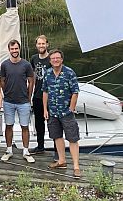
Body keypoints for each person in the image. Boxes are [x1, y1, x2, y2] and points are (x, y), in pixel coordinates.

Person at [42, 50, 81, 178]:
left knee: (72, 138)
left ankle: (76, 166)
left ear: (62, 59)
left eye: (57, 58)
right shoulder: (47, 73)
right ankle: (61, 161)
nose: (55, 60)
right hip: (53, 112)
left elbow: (75, 91)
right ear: (50, 61)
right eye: (53, 58)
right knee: (57, 136)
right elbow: (45, 92)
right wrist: (45, 109)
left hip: (66, 112)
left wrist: (71, 107)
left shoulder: (69, 73)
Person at [0, 39, 35, 163]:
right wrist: (6, 92)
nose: (14, 51)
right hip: (9, 101)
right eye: (12, 49)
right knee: (8, 126)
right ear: (9, 50)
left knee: (25, 126)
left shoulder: (26, 65)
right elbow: (2, 81)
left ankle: (26, 151)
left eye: (16, 48)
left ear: (19, 49)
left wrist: (29, 97)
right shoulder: (4, 65)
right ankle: (9, 150)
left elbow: (31, 81)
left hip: (23, 101)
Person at [29, 35, 51, 155]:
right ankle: (40, 146)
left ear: (47, 44)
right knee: (39, 122)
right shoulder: (34, 58)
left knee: (52, 122)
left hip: (50, 96)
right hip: (37, 95)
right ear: (36, 45)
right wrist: (30, 94)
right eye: (39, 44)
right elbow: (32, 78)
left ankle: (57, 148)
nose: (41, 46)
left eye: (43, 44)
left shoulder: (51, 59)